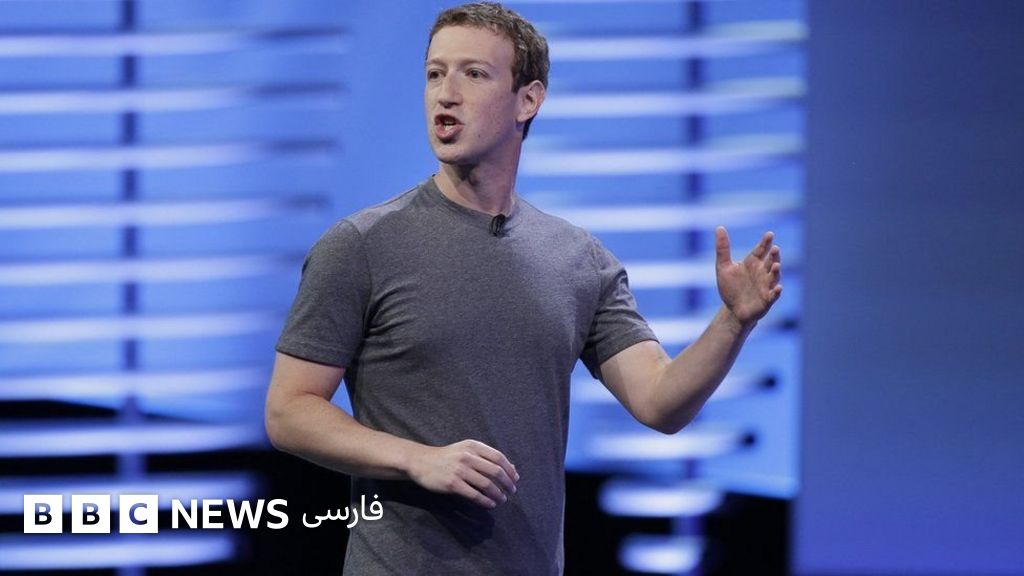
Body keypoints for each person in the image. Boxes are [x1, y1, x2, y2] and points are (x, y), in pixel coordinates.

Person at [265, 2, 783, 574]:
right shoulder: (362, 245)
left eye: (474, 74)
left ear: (528, 100)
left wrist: (734, 321)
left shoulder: (579, 260)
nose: (446, 94)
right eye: (435, 73)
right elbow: (290, 411)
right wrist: (416, 460)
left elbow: (661, 402)